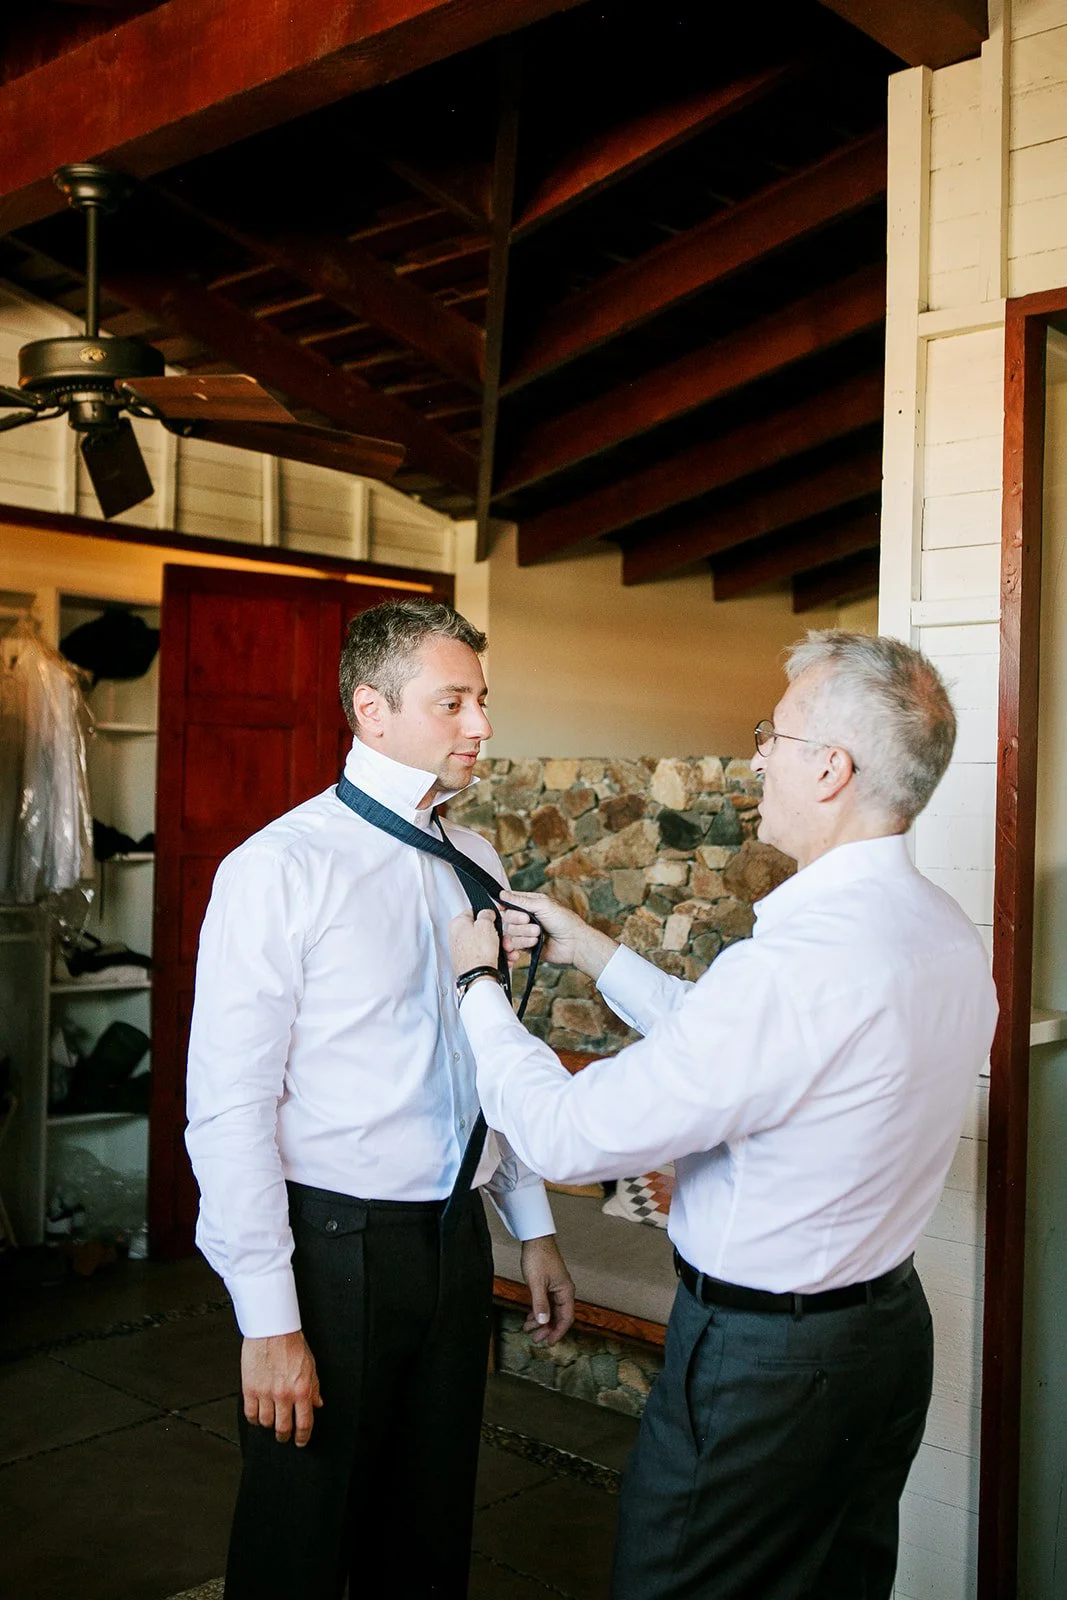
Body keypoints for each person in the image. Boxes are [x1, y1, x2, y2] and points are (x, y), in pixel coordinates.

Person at [448, 630, 998, 1600]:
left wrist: (478, 992)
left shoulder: (793, 968)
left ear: (830, 769)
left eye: (770, 736)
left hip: (763, 1370)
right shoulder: (943, 935)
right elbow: (747, 1053)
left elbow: (567, 1131)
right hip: (880, 1343)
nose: (754, 756)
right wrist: (590, 948)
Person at [185, 598, 574, 1600]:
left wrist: (526, 1223)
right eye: (452, 702)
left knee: (428, 1532)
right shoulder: (276, 869)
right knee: (299, 1537)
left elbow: (490, 1055)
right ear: (372, 710)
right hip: (331, 1248)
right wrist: (266, 1321)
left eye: (480, 701)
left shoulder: (476, 861)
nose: (480, 725)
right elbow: (227, 1109)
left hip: (450, 1241)